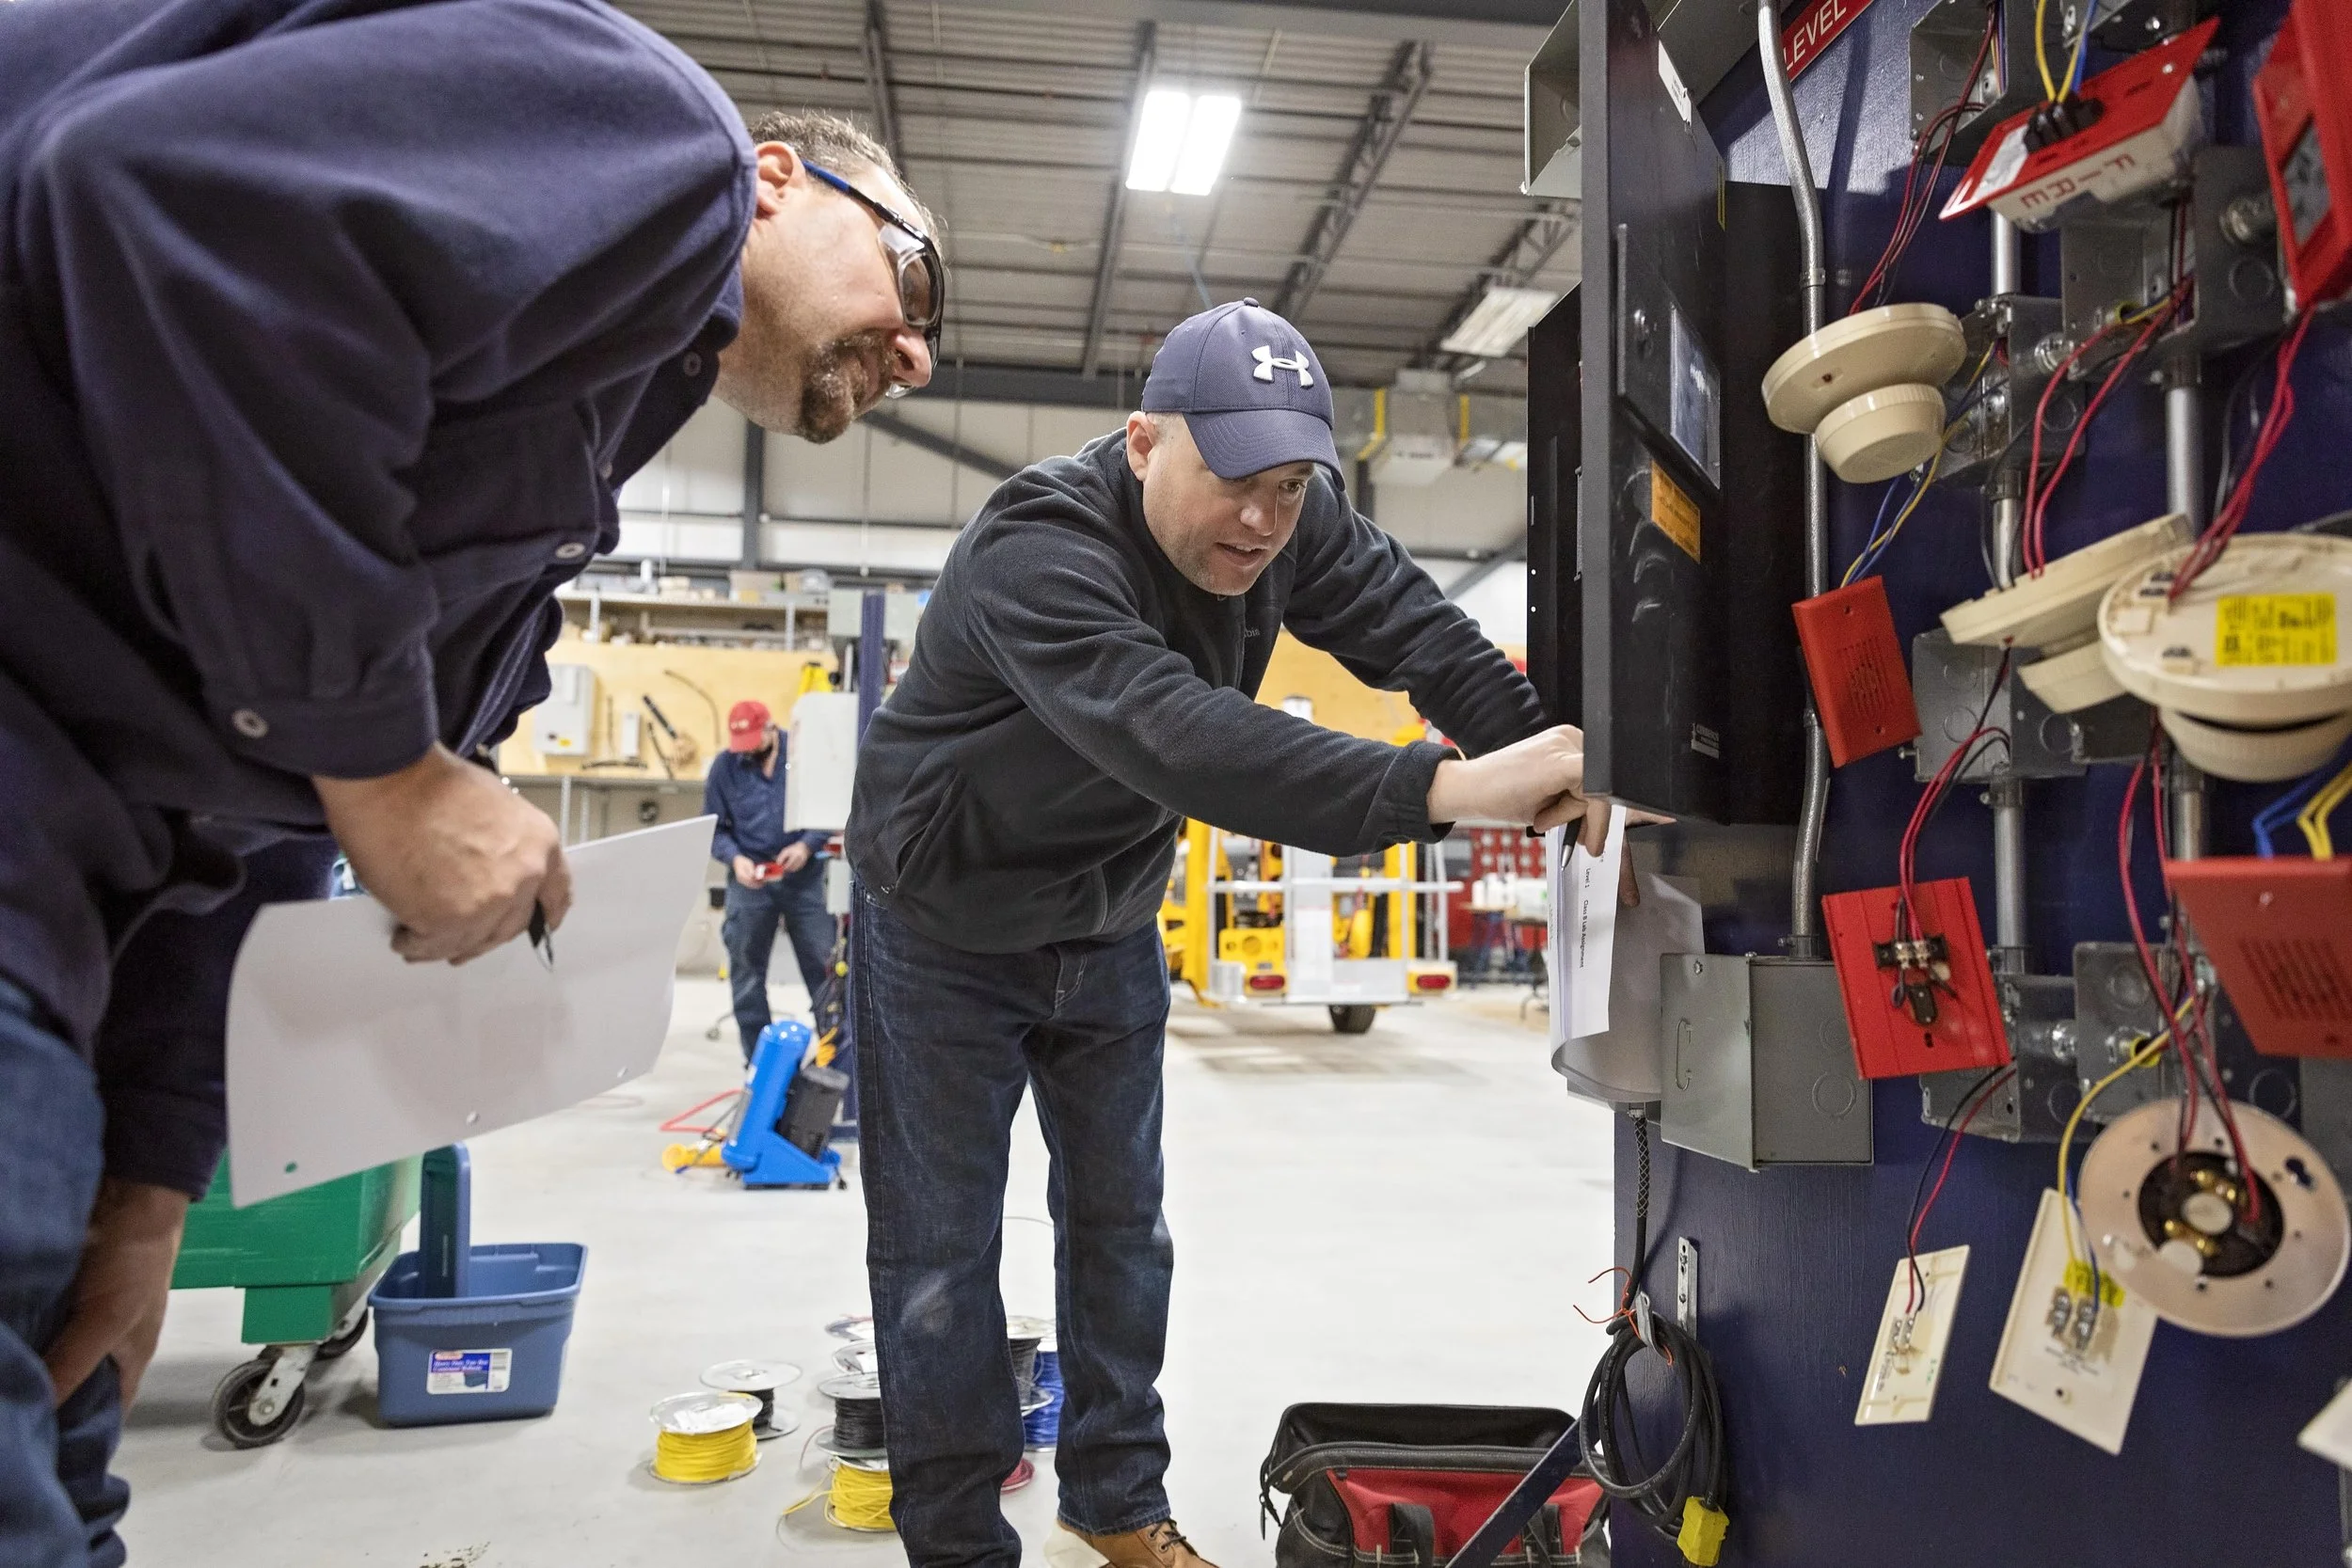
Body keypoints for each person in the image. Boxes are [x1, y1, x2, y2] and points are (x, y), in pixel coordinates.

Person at [0, 0, 943, 1546]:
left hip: (79, 898)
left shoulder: (580, 404)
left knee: (64, 1453)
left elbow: (236, 778)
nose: (916, 351)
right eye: (916, 278)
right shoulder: (678, 154)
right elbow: (157, 190)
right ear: (782, 180)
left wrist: (150, 1181)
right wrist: (387, 766)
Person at [845, 299, 1607, 1568]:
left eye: (1289, 488)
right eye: (1235, 482)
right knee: (939, 1254)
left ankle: (1114, 1498)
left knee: (1122, 1227)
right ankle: (959, 1543)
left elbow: (1424, 636)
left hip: (1107, 916)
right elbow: (1179, 734)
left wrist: (1557, 762)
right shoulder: (1039, 545)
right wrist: (1451, 787)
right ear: (1144, 440)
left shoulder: (1293, 522)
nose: (1261, 520)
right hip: (944, 924)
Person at [707, 699, 838, 1063]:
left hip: (803, 880)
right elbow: (715, 829)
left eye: (753, 741)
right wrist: (735, 859)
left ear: (770, 729)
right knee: (746, 974)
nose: (747, 750)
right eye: (741, 744)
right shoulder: (725, 767)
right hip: (751, 883)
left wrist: (806, 845)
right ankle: (760, 1066)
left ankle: (834, 1057)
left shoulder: (804, 756)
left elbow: (829, 809)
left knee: (825, 968)